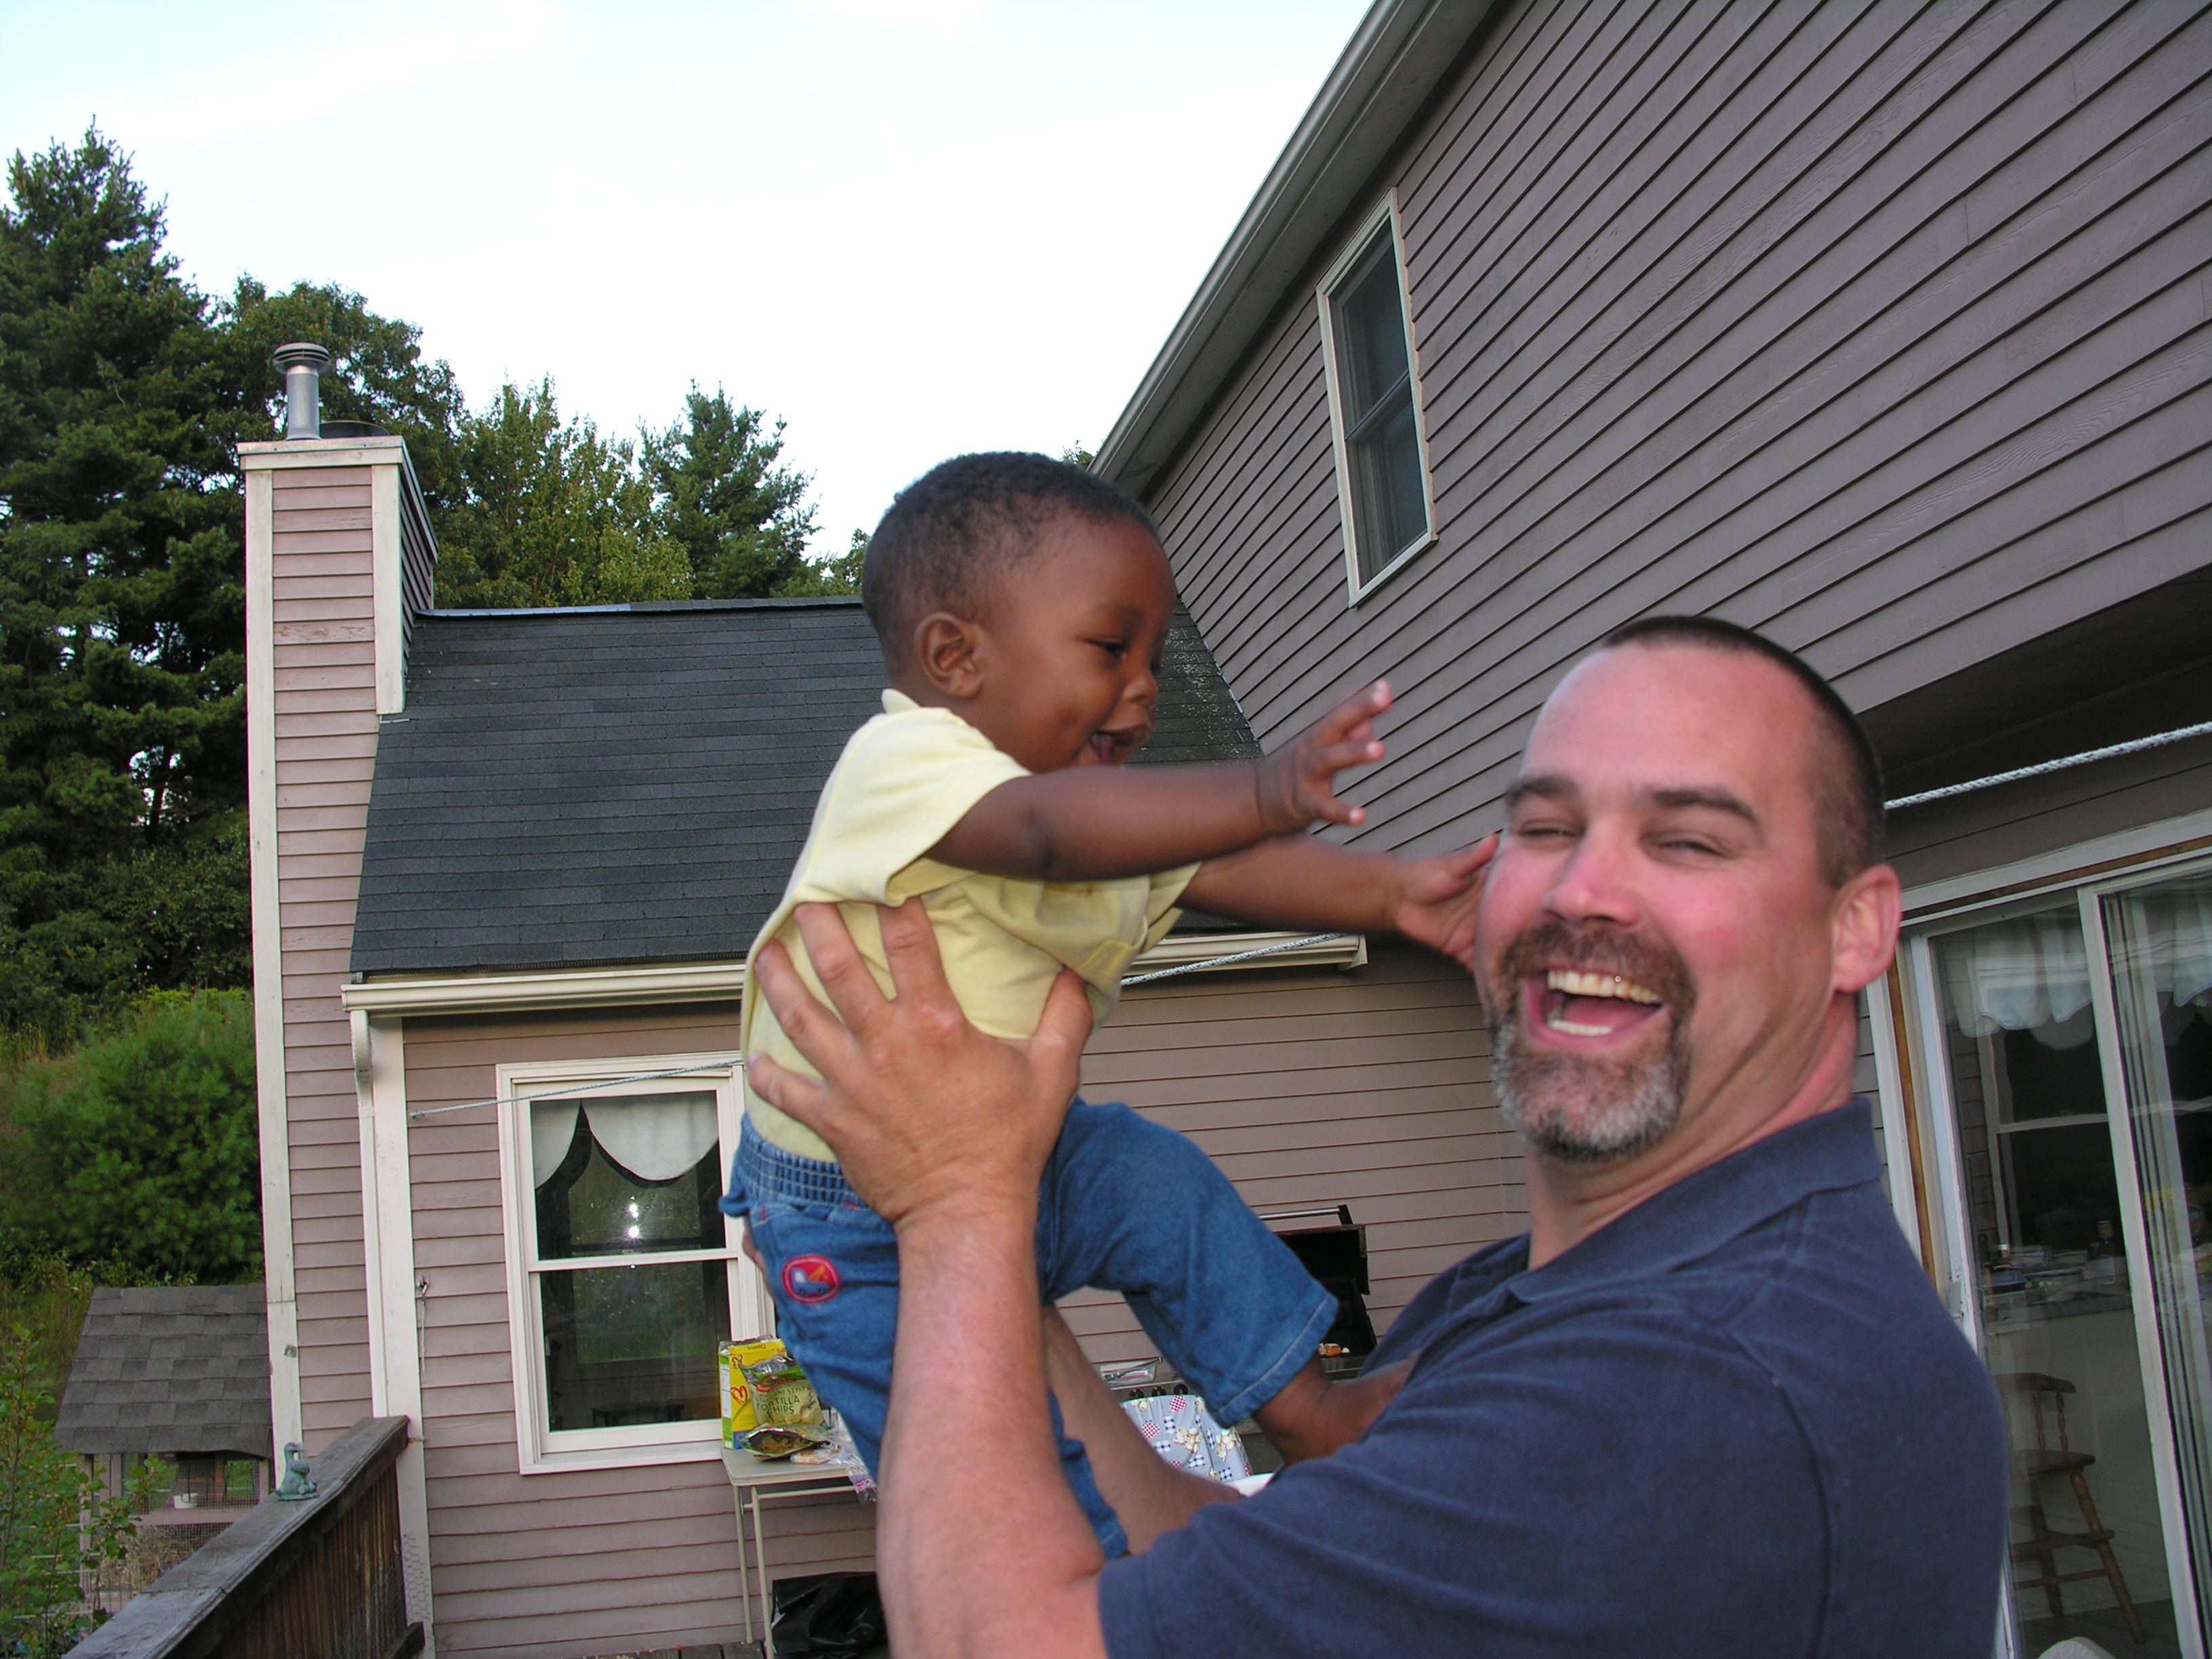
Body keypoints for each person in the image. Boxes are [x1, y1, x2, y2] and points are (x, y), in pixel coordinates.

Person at [746, 616, 2011, 1658]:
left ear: (1856, 928)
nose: (1582, 889)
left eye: (1686, 840)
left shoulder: (1693, 1378)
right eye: (1545, 828)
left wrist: (959, 1210)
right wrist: (984, 1252)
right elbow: (1233, 1580)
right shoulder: (1545, 1296)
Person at [725, 453, 1493, 1550]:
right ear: (955, 656)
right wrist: (1265, 786)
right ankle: (1057, 1584)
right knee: (993, 1478)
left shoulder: (1099, 818)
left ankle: (1311, 1414)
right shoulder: (905, 763)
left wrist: (1396, 896)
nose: (1144, 687)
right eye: (1109, 648)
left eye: (1155, 658)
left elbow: (1219, 868)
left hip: (1021, 1157)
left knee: (1156, 1181)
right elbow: (1046, 833)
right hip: (850, 1222)